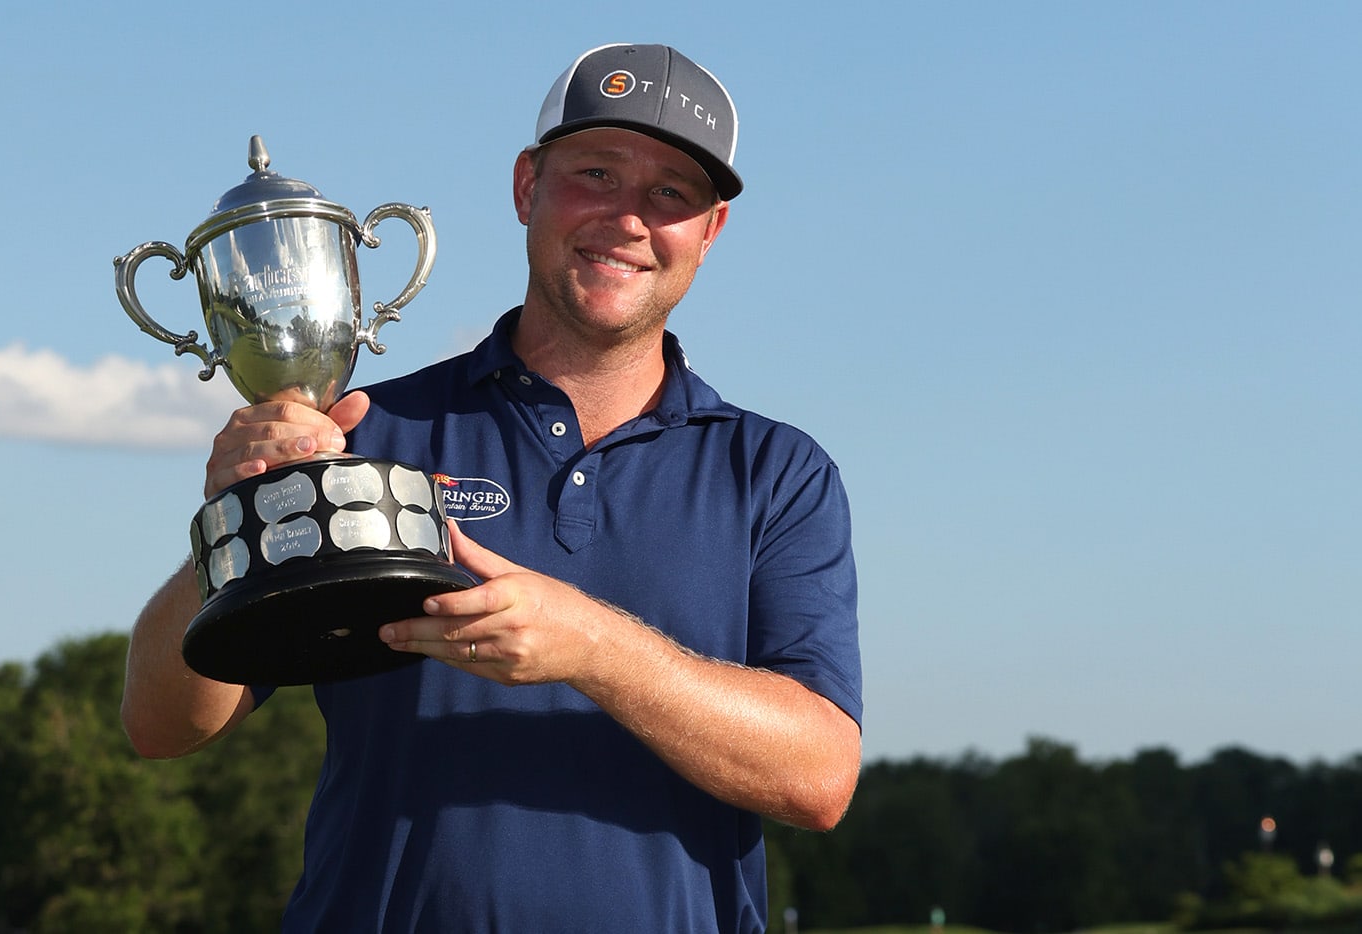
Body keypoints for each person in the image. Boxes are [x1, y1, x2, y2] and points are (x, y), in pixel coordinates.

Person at [121, 42, 862, 933]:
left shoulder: (777, 474)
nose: (628, 218)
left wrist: (590, 644)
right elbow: (162, 724)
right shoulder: (363, 431)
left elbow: (817, 777)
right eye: (595, 173)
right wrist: (233, 521)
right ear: (526, 188)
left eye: (671, 193)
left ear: (709, 233)